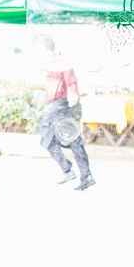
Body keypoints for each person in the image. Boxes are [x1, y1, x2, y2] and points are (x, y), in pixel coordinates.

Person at [40, 37, 95, 191]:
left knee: (46, 134)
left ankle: (67, 170)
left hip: (62, 104)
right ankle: (86, 175)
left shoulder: (50, 60)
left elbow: (68, 70)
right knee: (74, 139)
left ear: (44, 49)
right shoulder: (55, 60)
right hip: (64, 104)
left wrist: (71, 92)